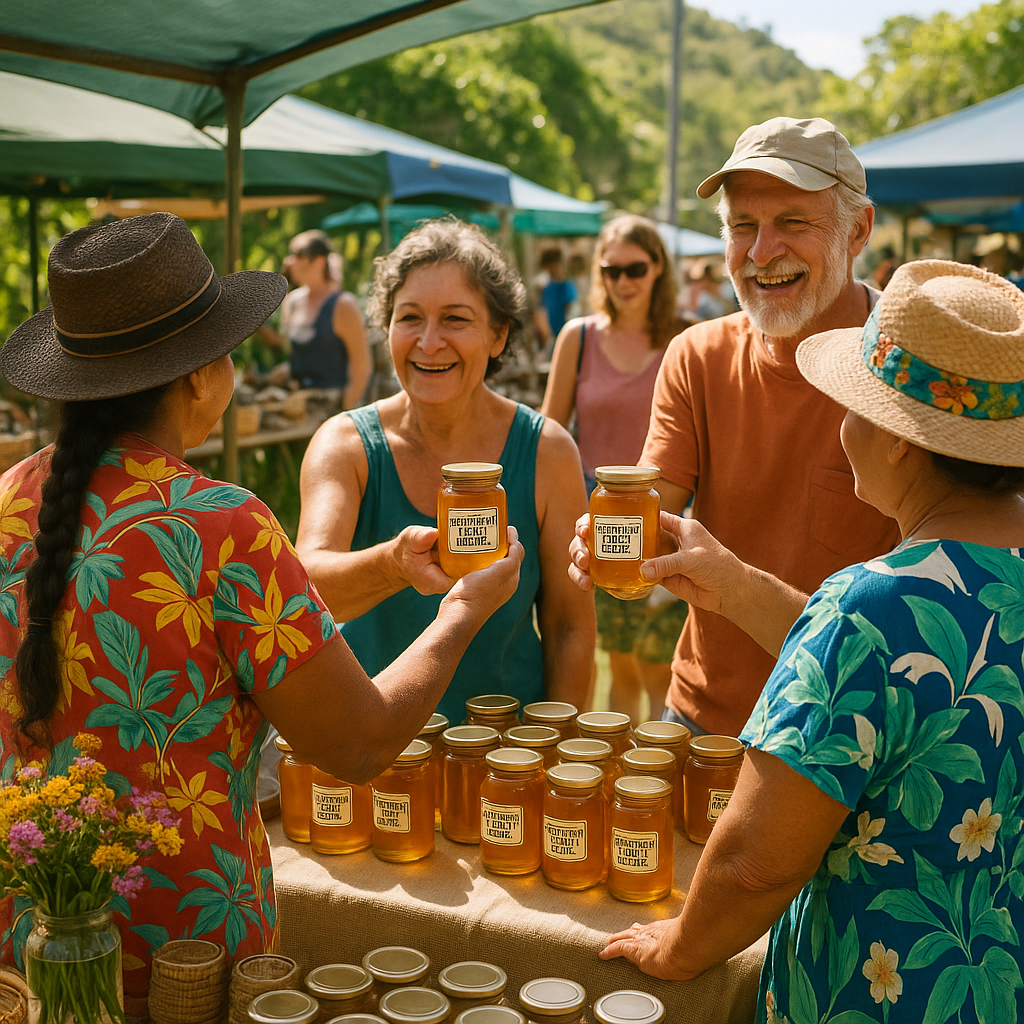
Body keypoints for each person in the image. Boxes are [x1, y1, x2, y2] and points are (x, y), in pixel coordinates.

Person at [0, 213, 523, 1013]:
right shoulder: (223, 525)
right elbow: (359, 741)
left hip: (25, 944)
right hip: (185, 952)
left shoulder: (7, 501)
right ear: (202, 375)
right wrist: (462, 609)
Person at [596, 259, 1024, 1022]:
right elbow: (899, 679)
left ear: (898, 438)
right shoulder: (962, 591)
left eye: (852, 403)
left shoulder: (869, 608)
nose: (840, 422)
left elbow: (755, 865)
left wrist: (680, 947)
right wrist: (733, 585)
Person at [596, 117, 903, 737]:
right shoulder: (697, 355)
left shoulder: (908, 368)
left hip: (856, 731)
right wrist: (610, 533)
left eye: (793, 222)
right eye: (742, 226)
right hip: (705, 719)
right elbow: (654, 510)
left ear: (858, 231)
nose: (762, 253)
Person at [296, 218, 594, 725]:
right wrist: (393, 564)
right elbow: (306, 590)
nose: (429, 342)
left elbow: (569, 627)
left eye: (455, 319)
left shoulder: (547, 451)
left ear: (498, 335)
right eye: (409, 317)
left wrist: (550, 755)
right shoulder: (345, 445)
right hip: (372, 752)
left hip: (506, 756)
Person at [541, 215, 688, 722]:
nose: (623, 281)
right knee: (619, 665)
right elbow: (550, 434)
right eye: (611, 270)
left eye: (635, 269)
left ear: (658, 270)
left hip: (663, 523)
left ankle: (661, 783)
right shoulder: (576, 338)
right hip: (594, 524)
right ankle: (621, 783)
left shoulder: (683, 340)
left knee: (660, 670)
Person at [257, 229, 372, 409]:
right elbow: (292, 350)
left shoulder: (343, 305)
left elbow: (361, 368)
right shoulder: (293, 301)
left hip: (331, 407)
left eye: (297, 255)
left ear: (318, 261)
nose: (289, 262)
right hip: (296, 406)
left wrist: (344, 411)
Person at [533, 247, 578, 354]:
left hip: (566, 338)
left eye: (555, 267)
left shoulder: (568, 287)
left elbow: (572, 312)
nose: (553, 271)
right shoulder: (545, 287)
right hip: (551, 340)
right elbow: (540, 313)